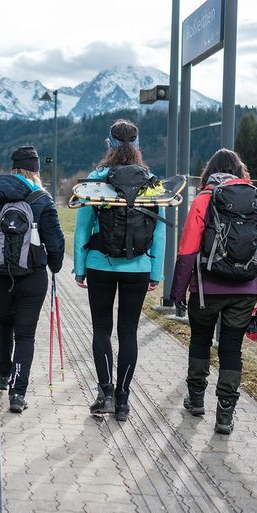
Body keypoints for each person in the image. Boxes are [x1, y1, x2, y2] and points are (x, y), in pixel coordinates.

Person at [170, 148, 257, 434]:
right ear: (239, 170)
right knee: (232, 348)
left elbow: (187, 250)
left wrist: (177, 293)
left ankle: (196, 400)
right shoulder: (253, 199)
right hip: (244, 291)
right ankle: (226, 414)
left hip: (207, 289)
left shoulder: (204, 199)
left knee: (200, 341)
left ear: (209, 171)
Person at [73, 119, 166, 420]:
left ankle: (105, 393)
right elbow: (160, 232)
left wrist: (79, 268)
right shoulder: (153, 182)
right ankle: (124, 400)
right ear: (138, 147)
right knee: (128, 331)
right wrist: (155, 272)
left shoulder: (95, 180)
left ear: (108, 144)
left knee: (101, 329)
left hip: (100, 264)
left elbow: (82, 228)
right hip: (138, 267)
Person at [0, 146, 65, 413]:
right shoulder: (42, 199)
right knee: (26, 334)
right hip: (32, 277)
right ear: (35, 171)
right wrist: (54, 266)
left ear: (13, 168)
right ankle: (18, 394)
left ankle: (1, 375)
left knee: (4, 321)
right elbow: (56, 241)